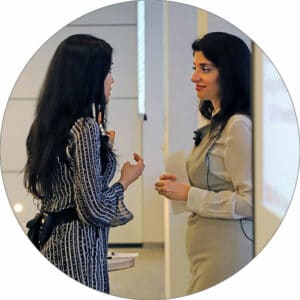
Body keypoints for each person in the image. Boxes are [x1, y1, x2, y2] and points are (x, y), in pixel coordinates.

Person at [24, 34, 145, 294]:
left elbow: (71, 185)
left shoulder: (45, 125)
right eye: (107, 71)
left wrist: (104, 151)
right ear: (87, 76)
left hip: (53, 239)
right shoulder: (85, 127)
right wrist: (126, 179)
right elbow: (94, 209)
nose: (112, 80)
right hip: (79, 249)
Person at [155, 32, 253, 294]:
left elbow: (250, 201)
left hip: (228, 249)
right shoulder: (216, 124)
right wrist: (179, 184)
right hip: (207, 249)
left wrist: (189, 194)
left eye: (205, 69)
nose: (193, 77)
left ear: (229, 72)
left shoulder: (238, 126)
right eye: (194, 68)